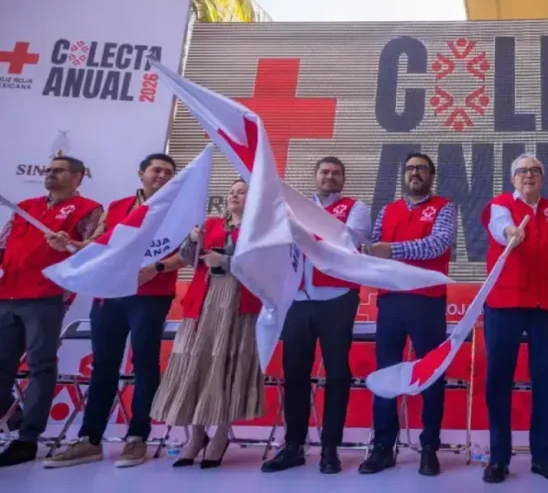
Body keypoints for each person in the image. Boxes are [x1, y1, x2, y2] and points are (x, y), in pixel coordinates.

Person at [45, 153, 183, 469]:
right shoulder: (119, 206)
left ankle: (137, 438)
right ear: (141, 174)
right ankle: (89, 440)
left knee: (145, 363)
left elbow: (189, 254)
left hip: (150, 295)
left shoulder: (180, 210)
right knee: (104, 365)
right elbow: (97, 245)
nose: (162, 176)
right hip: (110, 295)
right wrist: (68, 244)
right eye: (156, 170)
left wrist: (157, 267)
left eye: (168, 172)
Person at [262, 156, 371, 475]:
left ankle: (329, 448)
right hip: (296, 299)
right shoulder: (292, 207)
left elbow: (351, 240)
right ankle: (294, 445)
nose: (330, 177)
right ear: (315, 176)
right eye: (324, 172)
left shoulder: (355, 207)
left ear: (343, 179)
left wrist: (309, 226)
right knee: (294, 374)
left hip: (337, 298)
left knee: (337, 374)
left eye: (336, 173)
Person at [149, 179, 265, 469]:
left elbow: (264, 265)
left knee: (228, 365)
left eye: (242, 191)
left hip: (239, 302)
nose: (235, 195)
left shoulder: (260, 229)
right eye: (232, 190)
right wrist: (190, 239)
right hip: (203, 302)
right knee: (194, 365)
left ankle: (222, 433)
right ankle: (196, 433)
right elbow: (188, 259)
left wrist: (225, 262)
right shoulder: (210, 223)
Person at [479, 153, 548, 484]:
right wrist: (510, 231)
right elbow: (497, 227)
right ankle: (498, 457)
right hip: (505, 302)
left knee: (544, 382)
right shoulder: (501, 205)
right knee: (498, 380)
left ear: (543, 178)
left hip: (545, 305)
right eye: (522, 171)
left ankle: (543, 456)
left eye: (535, 170)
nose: (529, 175)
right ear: (513, 179)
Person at [0, 156, 102, 467]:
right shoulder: (25, 206)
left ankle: (28, 438)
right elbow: (4, 243)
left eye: (57, 171)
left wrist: (69, 244)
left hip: (46, 296)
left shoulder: (89, 209)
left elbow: (92, 249)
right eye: (48, 169)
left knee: (40, 367)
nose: (49, 174)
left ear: (77, 176)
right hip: (7, 294)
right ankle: (14, 416)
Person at [358, 152, 455, 477]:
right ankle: (383, 447)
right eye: (410, 168)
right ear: (404, 175)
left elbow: (437, 245)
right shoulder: (387, 210)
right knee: (387, 374)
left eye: (422, 169)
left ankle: (430, 447)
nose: (415, 173)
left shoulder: (444, 206)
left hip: (427, 301)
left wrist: (393, 250)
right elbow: (373, 249)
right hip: (391, 300)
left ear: (431, 176)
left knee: (430, 374)